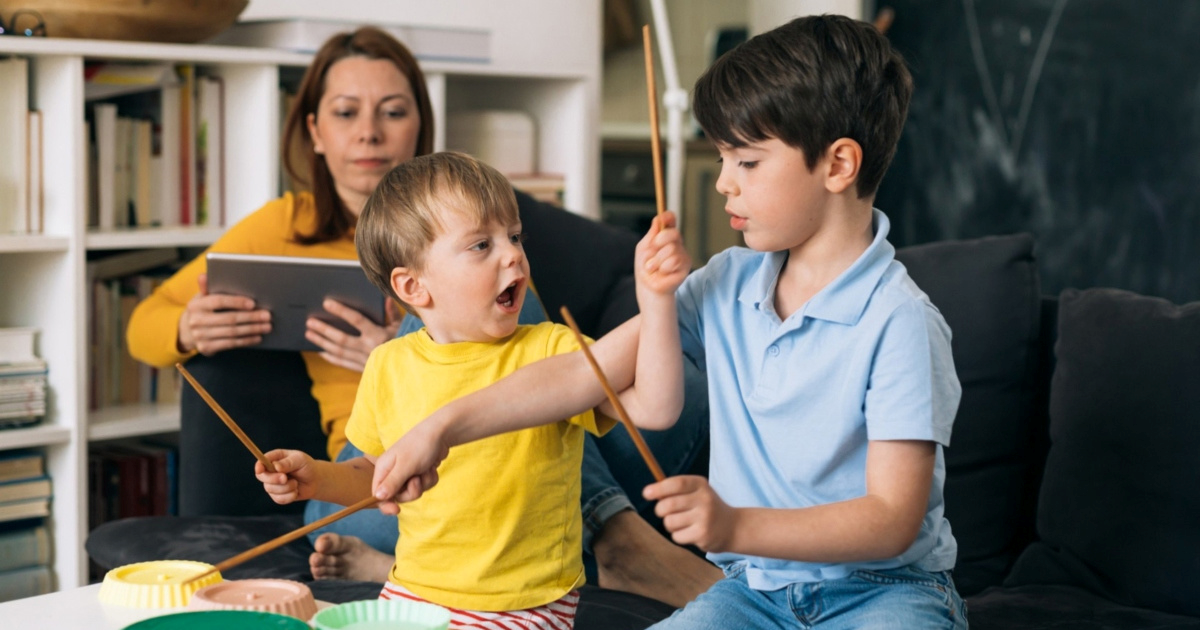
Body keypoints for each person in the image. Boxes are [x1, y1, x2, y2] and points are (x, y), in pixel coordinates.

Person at [366, 14, 968, 629]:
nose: (723, 183)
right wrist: (441, 428)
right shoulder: (725, 282)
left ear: (838, 165)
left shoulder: (902, 323)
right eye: (722, 157)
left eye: (747, 161)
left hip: (885, 592)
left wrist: (734, 526)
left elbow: (892, 519)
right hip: (754, 592)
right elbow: (579, 374)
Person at [127, 26, 720, 606]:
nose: (369, 132)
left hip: (515, 453)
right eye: (346, 113)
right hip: (384, 478)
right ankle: (596, 537)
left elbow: (633, 394)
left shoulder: (492, 253)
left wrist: (426, 334)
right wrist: (188, 327)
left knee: (504, 308)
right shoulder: (286, 229)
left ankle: (604, 530)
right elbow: (142, 326)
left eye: (392, 111)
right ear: (314, 131)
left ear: (419, 123)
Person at [255, 151, 690, 628]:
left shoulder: (553, 350)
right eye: (482, 244)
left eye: (515, 236)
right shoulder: (388, 363)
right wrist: (316, 479)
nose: (513, 254)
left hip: (523, 604)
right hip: (412, 589)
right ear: (413, 287)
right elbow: (379, 476)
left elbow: (656, 408)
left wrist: (658, 301)